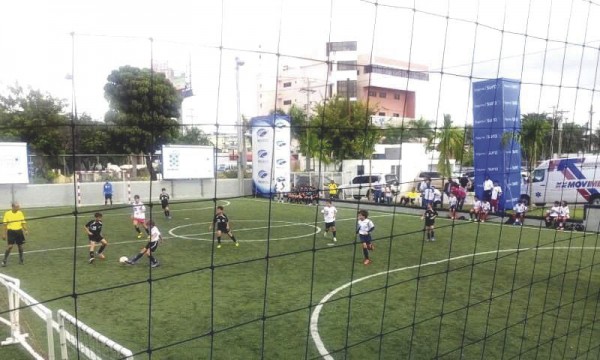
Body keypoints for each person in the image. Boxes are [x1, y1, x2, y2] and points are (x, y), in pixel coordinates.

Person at [1, 202, 28, 267]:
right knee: (10, 246)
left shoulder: (20, 213)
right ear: (13, 207)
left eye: (18, 206)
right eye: (17, 207)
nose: (18, 208)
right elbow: (5, 225)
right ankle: (4, 260)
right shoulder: (7, 214)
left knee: (20, 246)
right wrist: (4, 234)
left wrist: (26, 230)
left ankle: (21, 259)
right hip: (11, 231)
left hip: (19, 231)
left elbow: (23, 222)